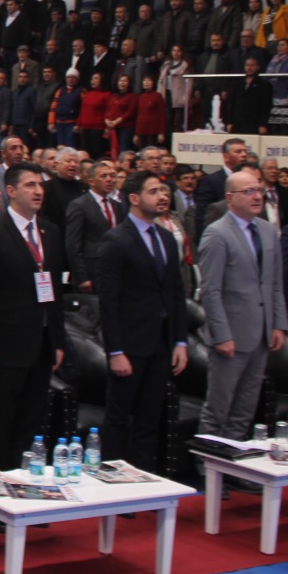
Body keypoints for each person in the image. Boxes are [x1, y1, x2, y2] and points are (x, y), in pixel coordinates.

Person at [0, 164, 67, 479]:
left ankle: (24, 484)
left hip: (42, 343)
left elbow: (55, 292)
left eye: (40, 185)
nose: (38, 191)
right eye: (30, 185)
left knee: (31, 423)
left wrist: (58, 341)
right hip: (5, 346)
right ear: (10, 191)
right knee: (1, 423)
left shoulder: (51, 232)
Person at [95, 173, 189, 471]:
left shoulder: (166, 238)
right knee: (119, 416)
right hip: (129, 343)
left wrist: (180, 341)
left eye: (163, 190)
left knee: (150, 416)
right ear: (134, 199)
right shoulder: (115, 240)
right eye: (153, 191)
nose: (162, 196)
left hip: (161, 341)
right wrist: (115, 350)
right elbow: (108, 302)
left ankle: (145, 477)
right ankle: (111, 476)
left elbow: (176, 293)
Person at [198, 171, 288, 475]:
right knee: (219, 407)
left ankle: (233, 468)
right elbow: (210, 290)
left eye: (258, 190)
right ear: (230, 198)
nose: (257, 196)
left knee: (245, 408)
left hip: (260, 332)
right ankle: (208, 468)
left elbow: (274, 283)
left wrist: (278, 324)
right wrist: (221, 334)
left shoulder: (267, 230)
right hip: (231, 335)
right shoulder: (217, 233)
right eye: (248, 191)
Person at [65, 160, 125, 293]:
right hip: (92, 271)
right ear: (91, 181)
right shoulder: (79, 205)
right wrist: (82, 277)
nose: (109, 180)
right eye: (103, 176)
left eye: (112, 176)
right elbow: (73, 244)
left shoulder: (117, 206)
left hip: (115, 270)